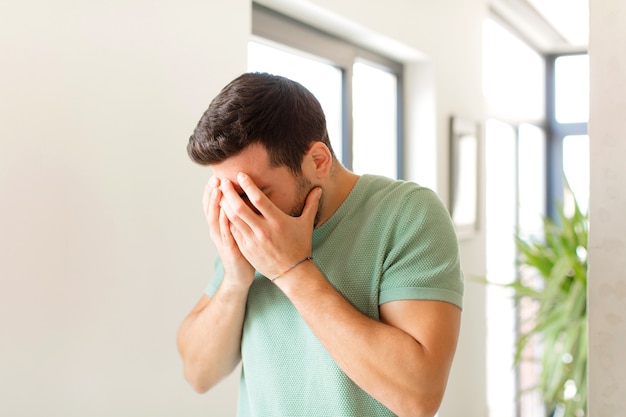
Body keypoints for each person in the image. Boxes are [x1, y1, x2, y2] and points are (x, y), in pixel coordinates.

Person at [177, 72, 464, 417]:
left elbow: (418, 397)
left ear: (317, 161)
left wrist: (292, 271)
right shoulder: (249, 230)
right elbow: (198, 374)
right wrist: (235, 280)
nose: (243, 213)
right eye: (229, 194)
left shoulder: (407, 213)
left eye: (257, 193)